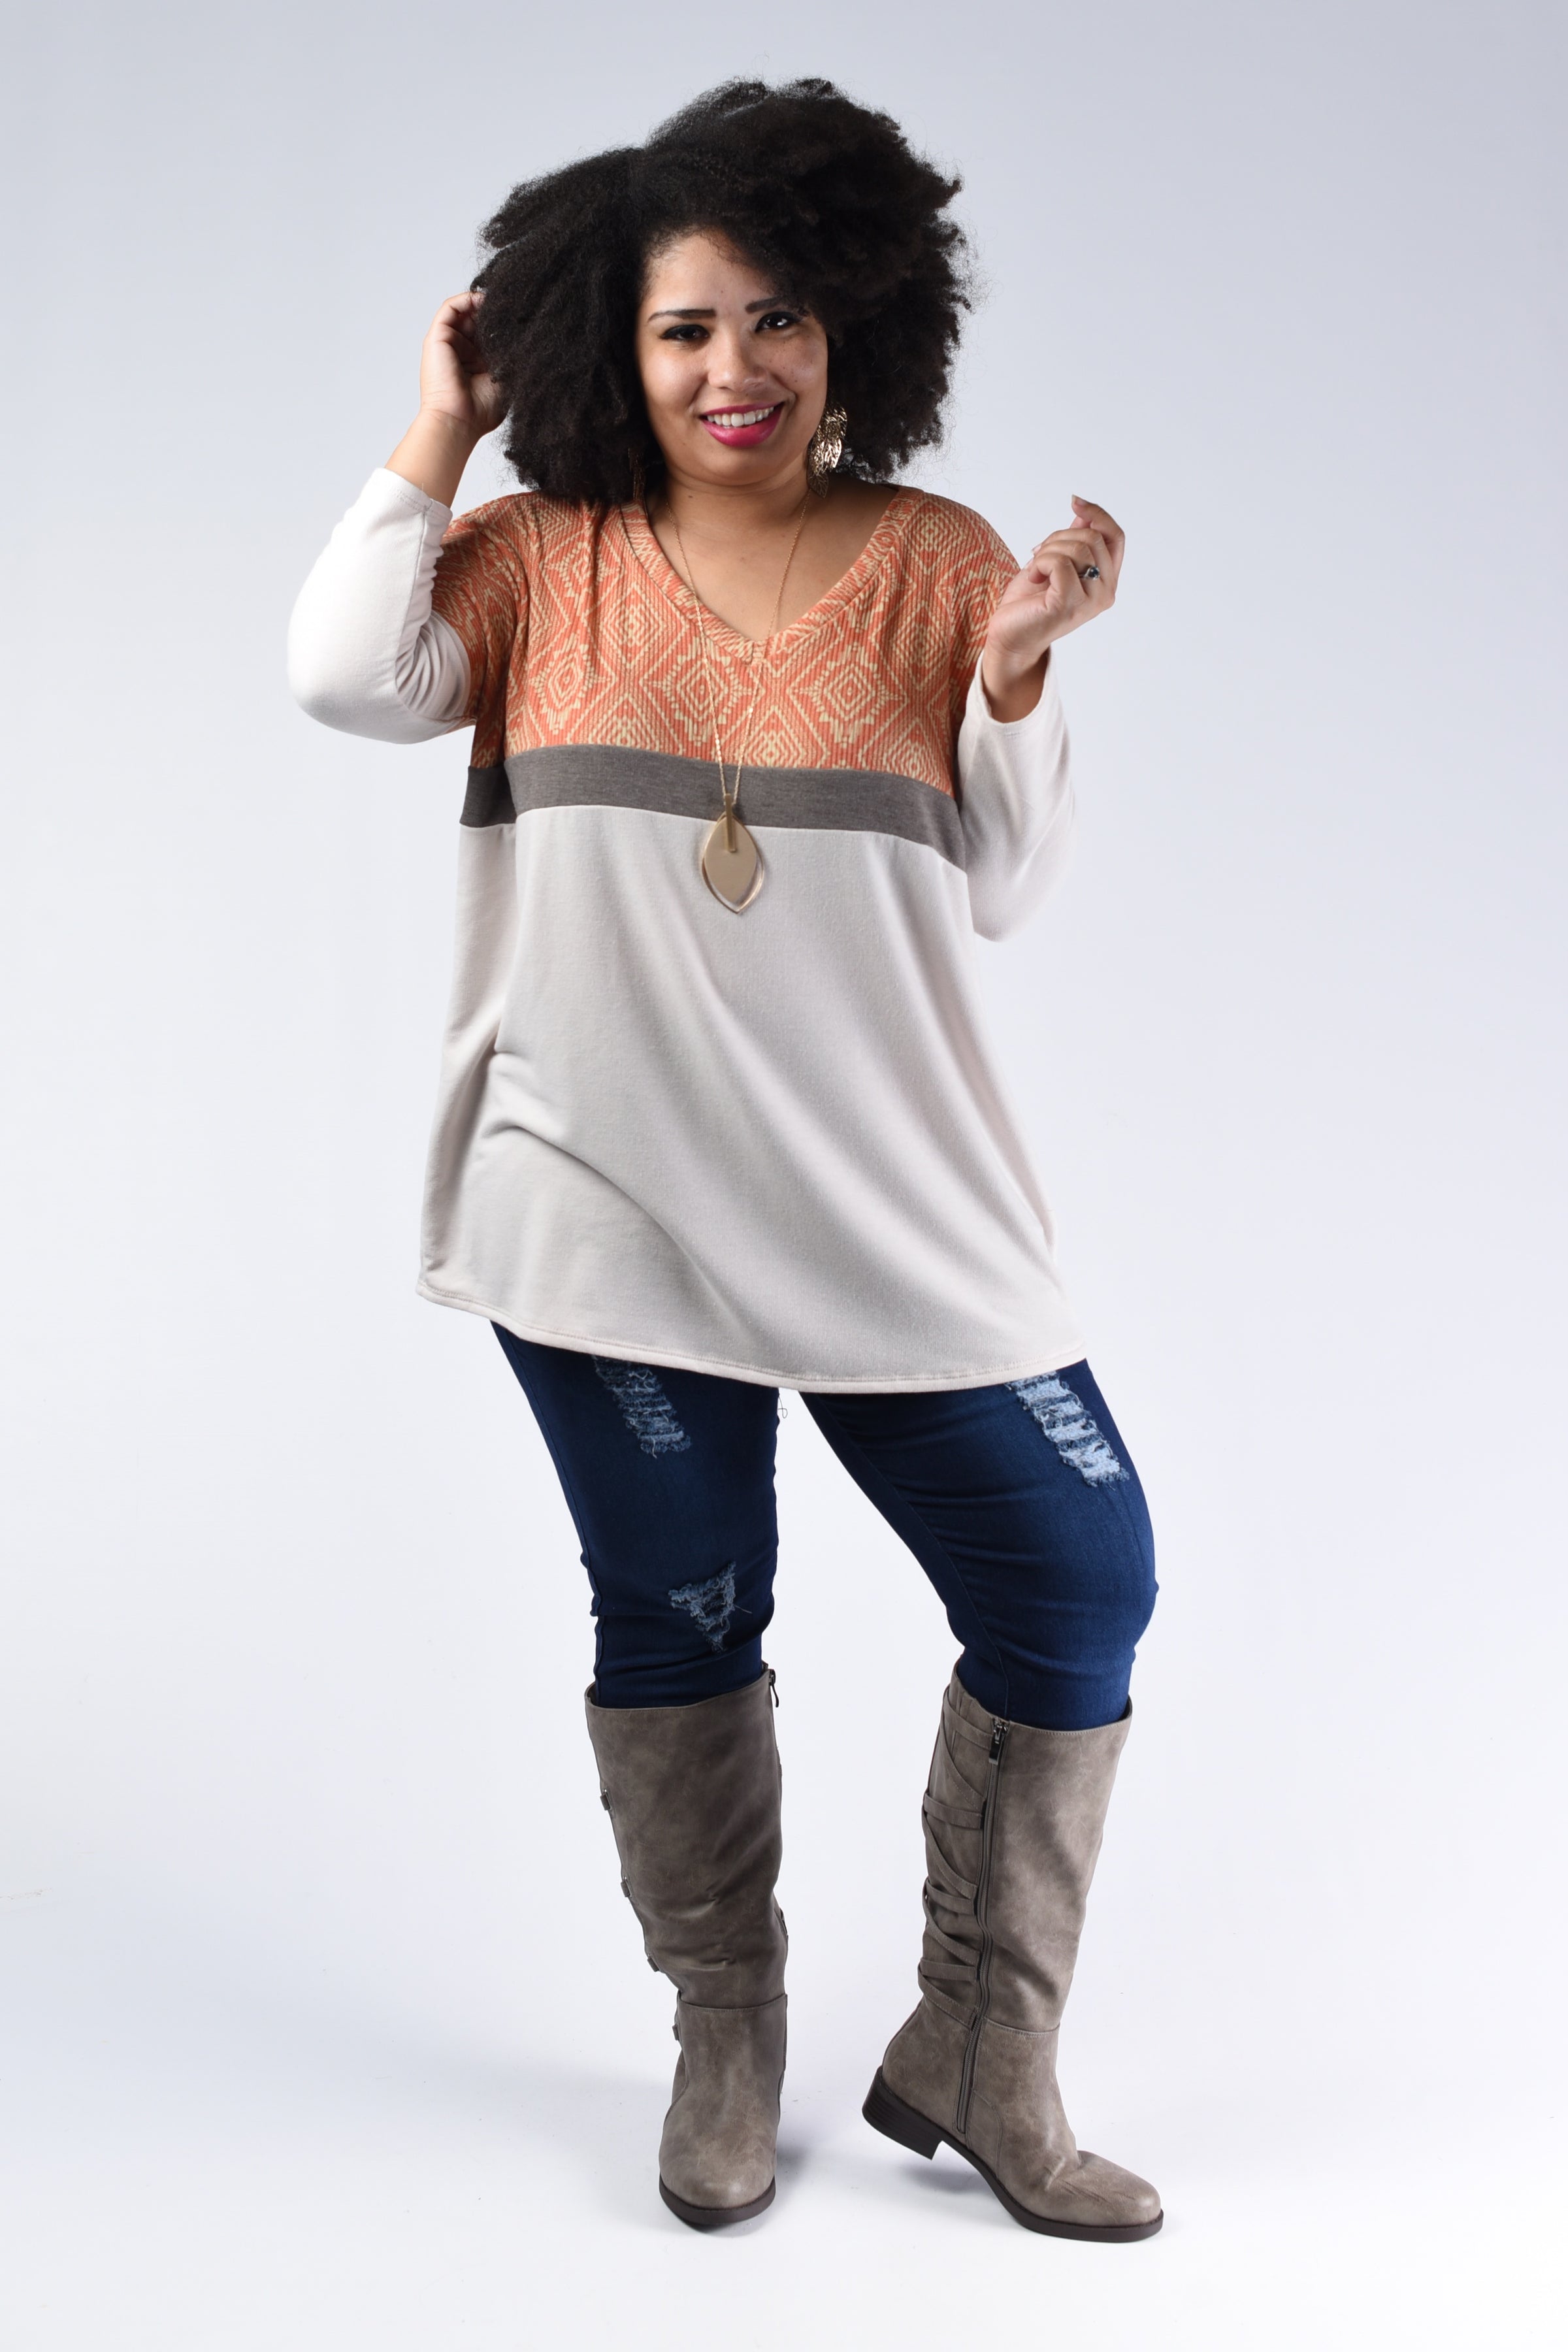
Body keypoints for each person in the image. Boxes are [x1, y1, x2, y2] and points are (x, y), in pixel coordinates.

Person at [288, 76, 1161, 2241]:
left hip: (892, 1201)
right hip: (600, 1198)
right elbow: (342, 676)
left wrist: (1017, 678)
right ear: (612, 341)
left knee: (1081, 1577)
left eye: (778, 317)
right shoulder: (535, 558)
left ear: (856, 324)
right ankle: (727, 2030)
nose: (734, 368)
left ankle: (982, 2051)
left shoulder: (938, 563)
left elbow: (1006, 886)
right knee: (683, 1608)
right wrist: (443, 428)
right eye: (683, 327)